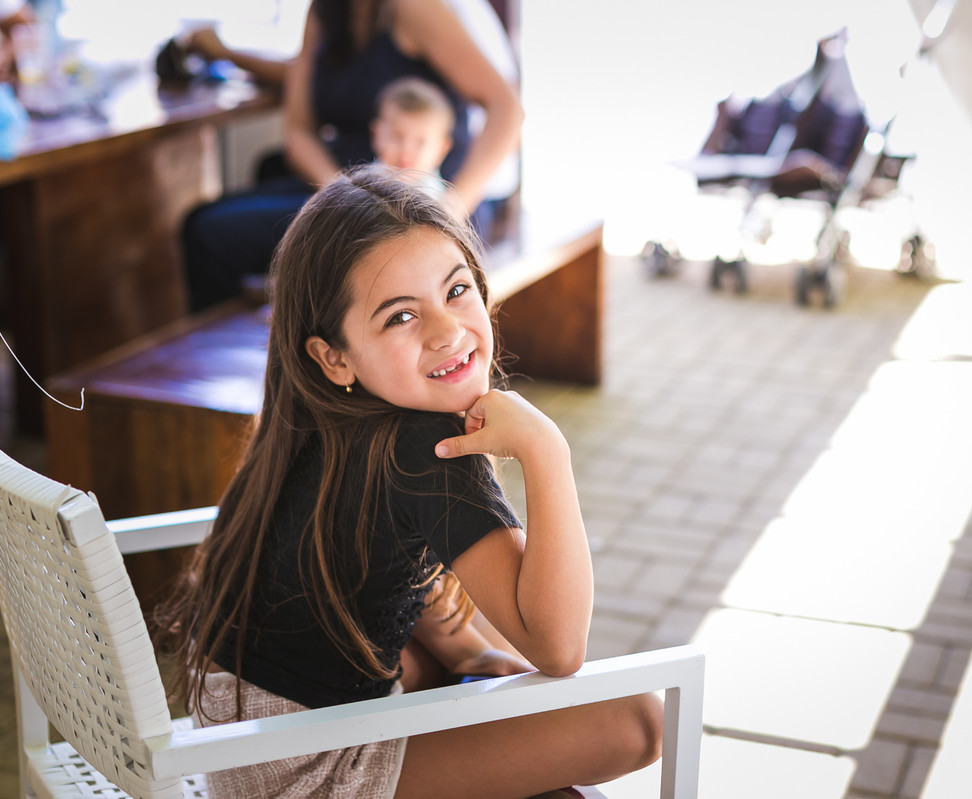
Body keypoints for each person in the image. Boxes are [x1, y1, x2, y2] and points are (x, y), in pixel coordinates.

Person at [154, 163, 663, 798]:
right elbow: (559, 648)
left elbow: (377, 566)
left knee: (461, 659)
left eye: (456, 290)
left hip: (239, 739)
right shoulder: (426, 446)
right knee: (637, 718)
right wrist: (546, 450)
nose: (447, 332)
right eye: (400, 317)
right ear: (334, 356)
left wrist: (467, 650)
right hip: (303, 768)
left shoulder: (315, 417)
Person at [182, 0, 522, 312]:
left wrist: (449, 209)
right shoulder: (322, 13)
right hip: (351, 183)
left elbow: (507, 108)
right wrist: (344, 195)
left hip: (422, 198)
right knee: (203, 217)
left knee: (209, 234)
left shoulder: (413, 8)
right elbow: (298, 129)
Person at [371, 75, 455, 189]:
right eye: (396, 137)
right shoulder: (360, 183)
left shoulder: (435, 196)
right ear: (376, 135)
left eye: (420, 142)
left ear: (441, 150)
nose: (406, 150)